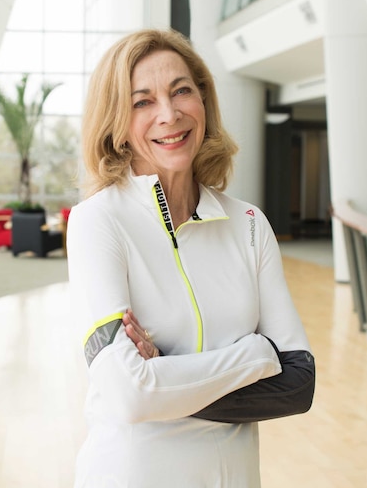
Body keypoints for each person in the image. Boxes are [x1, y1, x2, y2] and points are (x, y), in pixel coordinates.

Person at [66, 29, 315, 487]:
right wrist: (256, 355)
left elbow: (298, 384)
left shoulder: (249, 224)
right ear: (116, 122)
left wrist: (162, 374)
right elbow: (128, 396)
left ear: (204, 100)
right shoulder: (96, 222)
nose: (169, 114)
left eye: (182, 90)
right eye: (142, 102)